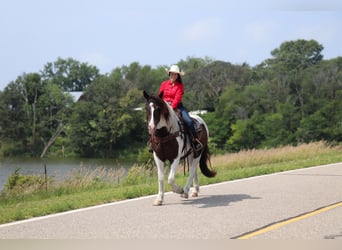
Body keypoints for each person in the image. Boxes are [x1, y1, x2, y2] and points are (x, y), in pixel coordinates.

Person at [158, 64, 202, 152]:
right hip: (164, 106)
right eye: (171, 74)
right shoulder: (164, 84)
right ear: (169, 74)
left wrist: (171, 108)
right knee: (154, 121)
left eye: (175, 74)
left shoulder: (180, 86)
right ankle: (153, 142)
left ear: (177, 76)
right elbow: (160, 96)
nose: (172, 76)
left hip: (177, 106)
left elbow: (177, 99)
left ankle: (194, 140)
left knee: (189, 121)